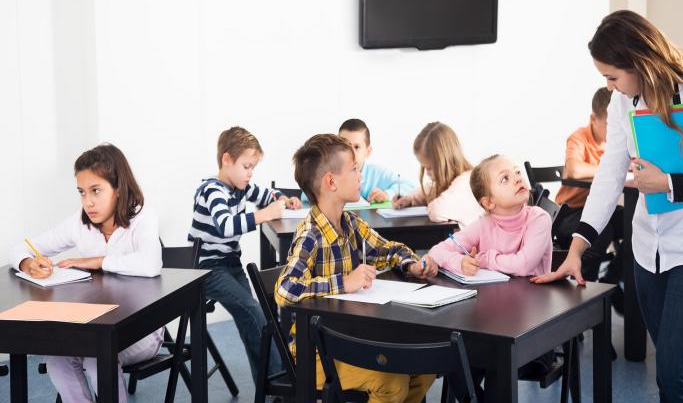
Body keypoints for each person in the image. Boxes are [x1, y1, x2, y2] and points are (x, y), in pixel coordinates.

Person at [533, 10, 683, 402]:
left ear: (639, 62)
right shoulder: (622, 103)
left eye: (612, 76)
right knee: (671, 375)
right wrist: (576, 250)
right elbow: (609, 176)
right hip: (647, 251)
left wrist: (669, 183)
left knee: (675, 371)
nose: (610, 87)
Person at [275, 134, 438, 403]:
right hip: (313, 351)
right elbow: (285, 289)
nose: (360, 175)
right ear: (331, 182)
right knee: (393, 383)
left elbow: (389, 249)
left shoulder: (350, 223)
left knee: (424, 370)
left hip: (351, 337)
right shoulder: (310, 235)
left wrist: (411, 265)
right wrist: (343, 282)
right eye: (354, 169)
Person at [10, 143, 163, 403]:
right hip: (94, 329)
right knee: (57, 359)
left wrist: (99, 261)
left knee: (95, 358)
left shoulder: (142, 218)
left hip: (142, 331)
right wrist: (27, 262)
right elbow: (20, 247)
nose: (88, 202)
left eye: (96, 191)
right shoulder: (79, 223)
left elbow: (151, 264)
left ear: (118, 188)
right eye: (82, 193)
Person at [429, 154, 553, 398]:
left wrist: (485, 258)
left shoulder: (539, 218)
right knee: (454, 361)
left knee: (497, 363)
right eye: (505, 178)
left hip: (533, 328)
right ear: (489, 203)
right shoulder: (483, 224)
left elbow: (524, 264)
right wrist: (461, 262)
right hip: (489, 326)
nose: (517, 179)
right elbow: (437, 251)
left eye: (517, 173)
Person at [187, 126, 301, 382]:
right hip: (206, 268)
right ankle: (277, 382)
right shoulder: (212, 190)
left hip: (229, 264)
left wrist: (284, 199)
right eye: (246, 166)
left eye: (253, 168)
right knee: (252, 311)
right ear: (227, 160)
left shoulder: (241, 186)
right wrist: (265, 214)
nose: (250, 174)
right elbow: (226, 226)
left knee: (255, 318)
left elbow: (266, 194)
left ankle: (269, 383)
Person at [554, 87, 625, 283]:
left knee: (634, 223)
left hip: (600, 209)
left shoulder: (616, 144)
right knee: (603, 228)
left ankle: (611, 281)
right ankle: (586, 284)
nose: (614, 131)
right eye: (610, 125)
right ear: (594, 119)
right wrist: (612, 169)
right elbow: (575, 170)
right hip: (569, 213)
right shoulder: (579, 137)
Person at [393, 121, 484, 228]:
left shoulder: (466, 182)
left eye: (429, 168)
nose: (426, 173)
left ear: (443, 161)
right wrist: (409, 199)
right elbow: (428, 190)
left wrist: (429, 206)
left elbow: (437, 211)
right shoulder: (447, 182)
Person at [338, 118, 416, 202]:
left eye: (356, 147)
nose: (351, 153)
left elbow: (409, 186)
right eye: (345, 146)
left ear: (367, 151)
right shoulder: (332, 173)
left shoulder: (377, 173)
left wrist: (387, 194)